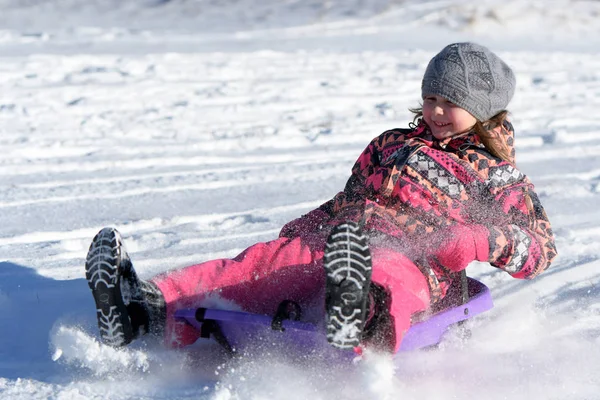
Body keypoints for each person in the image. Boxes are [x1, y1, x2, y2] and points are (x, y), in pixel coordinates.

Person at [85, 42, 557, 353]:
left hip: (422, 265)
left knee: (388, 274)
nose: (434, 110)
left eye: (449, 103)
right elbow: (349, 198)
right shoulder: (393, 144)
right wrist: (306, 228)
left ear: (481, 110)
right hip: (343, 243)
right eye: (430, 96)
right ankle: (145, 306)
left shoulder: (496, 175)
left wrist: (477, 240)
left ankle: (361, 318)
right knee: (263, 264)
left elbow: (539, 246)